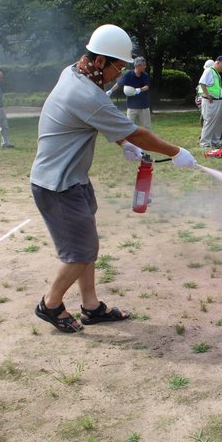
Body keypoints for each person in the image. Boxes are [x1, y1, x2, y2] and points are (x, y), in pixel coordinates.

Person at [30, 24, 198, 333]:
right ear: (98, 62)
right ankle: (50, 304)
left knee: (86, 248)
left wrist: (123, 143)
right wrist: (176, 152)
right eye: (116, 67)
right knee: (82, 252)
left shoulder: (74, 72)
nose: (118, 75)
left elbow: (100, 122)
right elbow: (135, 130)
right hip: (57, 185)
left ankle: (91, 307)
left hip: (73, 180)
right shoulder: (83, 92)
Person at [106, 56, 151, 130]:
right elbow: (119, 83)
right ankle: (128, 141)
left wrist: (139, 90)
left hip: (144, 106)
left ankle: (149, 141)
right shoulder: (128, 75)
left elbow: (146, 86)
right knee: (128, 127)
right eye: (144, 65)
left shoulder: (144, 75)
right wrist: (110, 91)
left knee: (147, 126)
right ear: (139, 66)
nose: (145, 67)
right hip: (132, 106)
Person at [199, 55, 222, 148]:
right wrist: (207, 95)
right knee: (210, 121)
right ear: (218, 62)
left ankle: (216, 141)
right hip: (210, 101)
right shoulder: (209, 70)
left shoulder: (216, 73)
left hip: (218, 100)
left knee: (219, 122)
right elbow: (202, 83)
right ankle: (205, 143)